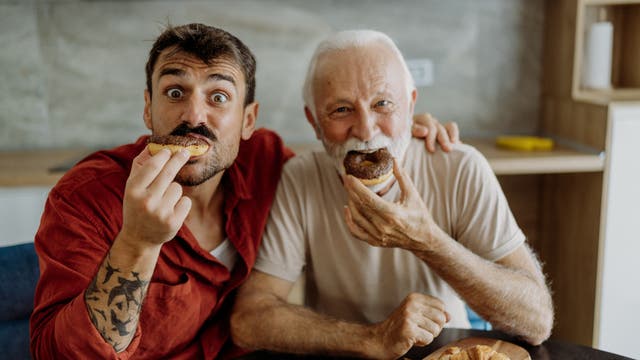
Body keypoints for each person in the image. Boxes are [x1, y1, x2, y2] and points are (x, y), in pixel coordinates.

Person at [29, 23, 457, 359]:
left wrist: (396, 127)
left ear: (248, 121)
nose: (194, 115)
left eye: (218, 97)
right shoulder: (84, 197)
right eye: (174, 92)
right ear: (147, 107)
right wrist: (137, 243)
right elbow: (59, 353)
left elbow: (344, 146)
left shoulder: (266, 161)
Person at [230, 30, 555, 359]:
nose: (367, 130)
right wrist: (371, 338)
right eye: (342, 110)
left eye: (383, 104)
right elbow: (250, 319)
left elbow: (537, 321)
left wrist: (428, 241)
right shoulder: (301, 177)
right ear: (314, 122)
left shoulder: (459, 167)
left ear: (411, 105)